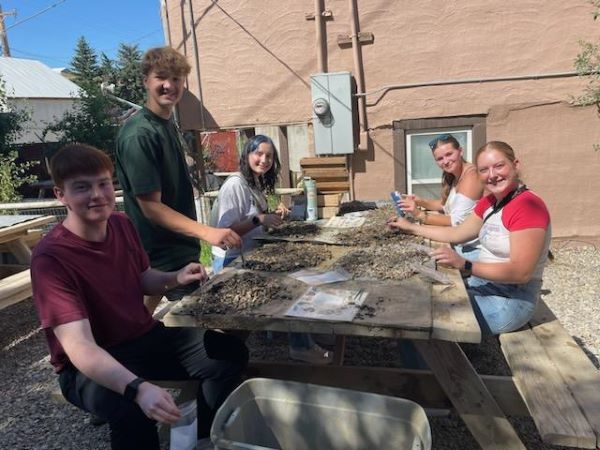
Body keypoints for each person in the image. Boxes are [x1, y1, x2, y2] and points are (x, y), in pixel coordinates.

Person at [31, 144, 249, 450]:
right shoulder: (51, 258)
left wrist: (175, 277)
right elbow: (79, 346)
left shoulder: (121, 224)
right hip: (85, 366)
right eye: (82, 187)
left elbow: (144, 279)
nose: (97, 194)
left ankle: (199, 436)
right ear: (60, 195)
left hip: (141, 338)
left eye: (103, 184)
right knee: (132, 410)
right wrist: (138, 388)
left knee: (228, 353)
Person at [115, 46, 241, 313]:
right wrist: (208, 232)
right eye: (161, 77)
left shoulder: (165, 125)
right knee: (208, 325)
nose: (169, 85)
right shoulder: (139, 135)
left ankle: (128, 349)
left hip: (175, 249)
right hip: (161, 254)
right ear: (145, 80)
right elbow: (151, 207)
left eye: (176, 78)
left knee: (138, 321)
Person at [388, 141, 551, 335]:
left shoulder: (528, 205)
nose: (492, 175)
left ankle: (441, 362)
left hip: (511, 299)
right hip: (483, 284)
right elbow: (457, 233)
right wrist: (411, 227)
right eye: (484, 170)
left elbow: (520, 273)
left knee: (419, 320)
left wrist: (465, 264)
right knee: (419, 296)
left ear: (515, 165)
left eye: (499, 166)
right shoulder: (490, 202)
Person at [211, 134, 333, 364]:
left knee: (302, 272)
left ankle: (307, 331)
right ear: (247, 154)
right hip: (232, 260)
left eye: (269, 156)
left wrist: (273, 217)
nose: (264, 160)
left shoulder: (253, 182)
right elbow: (224, 234)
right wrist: (259, 219)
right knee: (293, 283)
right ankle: (301, 346)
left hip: (253, 253)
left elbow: (256, 219)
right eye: (259, 154)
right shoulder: (235, 185)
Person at [397, 133, 483, 259]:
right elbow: (444, 205)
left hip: (473, 249)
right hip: (459, 243)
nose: (446, 161)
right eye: (440, 159)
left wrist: (418, 215)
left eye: (449, 154)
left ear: (460, 151)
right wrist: (420, 201)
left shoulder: (471, 177)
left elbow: (456, 221)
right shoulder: (456, 176)